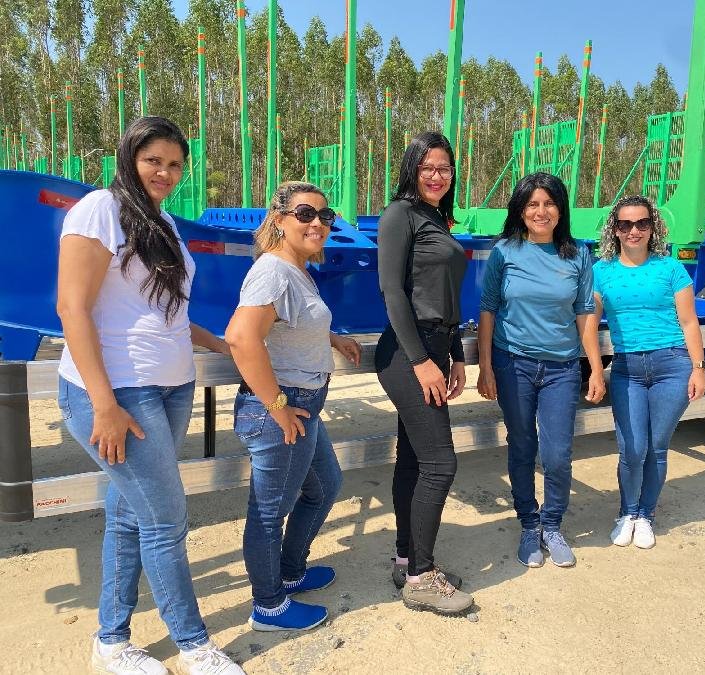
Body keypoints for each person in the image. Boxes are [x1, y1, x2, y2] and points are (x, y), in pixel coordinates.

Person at [56, 116, 244, 674]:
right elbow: (72, 308)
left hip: (170, 386)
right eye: (153, 160)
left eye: (174, 164)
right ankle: (193, 645)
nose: (164, 172)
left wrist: (219, 343)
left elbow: (165, 311)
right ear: (128, 157)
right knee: (166, 519)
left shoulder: (160, 221)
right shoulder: (100, 209)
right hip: (118, 391)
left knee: (132, 516)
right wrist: (104, 403)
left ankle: (110, 640)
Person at [224, 181, 361, 631]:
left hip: (302, 405)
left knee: (325, 487)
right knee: (269, 512)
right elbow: (242, 338)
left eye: (326, 216)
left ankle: (290, 571)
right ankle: (268, 606)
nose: (317, 223)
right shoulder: (274, 271)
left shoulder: (296, 270)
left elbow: (293, 323)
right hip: (281, 411)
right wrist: (277, 405)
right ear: (279, 219)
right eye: (305, 214)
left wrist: (331, 337)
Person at [476, 172, 604, 569]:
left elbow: (585, 314)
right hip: (512, 363)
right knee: (521, 447)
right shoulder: (504, 252)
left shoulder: (578, 254)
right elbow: (488, 309)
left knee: (557, 453)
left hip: (561, 369)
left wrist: (595, 369)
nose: (541, 211)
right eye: (533, 204)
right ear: (521, 209)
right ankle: (529, 525)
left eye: (549, 203)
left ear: (561, 209)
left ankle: (552, 525)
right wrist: (485, 367)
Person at [375, 131, 474, 615]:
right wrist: (421, 362)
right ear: (412, 168)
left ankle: (406, 558)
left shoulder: (436, 218)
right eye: (428, 167)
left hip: (436, 344)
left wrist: (454, 354)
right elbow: (393, 293)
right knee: (441, 463)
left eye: (446, 168)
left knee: (414, 461)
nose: (437, 176)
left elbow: (444, 298)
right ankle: (421, 576)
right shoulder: (400, 214)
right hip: (408, 352)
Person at [592, 195, 705, 549]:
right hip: (627, 366)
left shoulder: (671, 268)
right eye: (625, 224)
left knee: (657, 446)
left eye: (642, 223)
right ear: (615, 230)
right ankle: (626, 512)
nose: (634, 231)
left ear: (653, 227)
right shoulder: (601, 271)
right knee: (632, 448)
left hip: (672, 364)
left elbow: (689, 322)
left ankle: (646, 514)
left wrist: (698, 368)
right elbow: (588, 323)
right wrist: (593, 369)